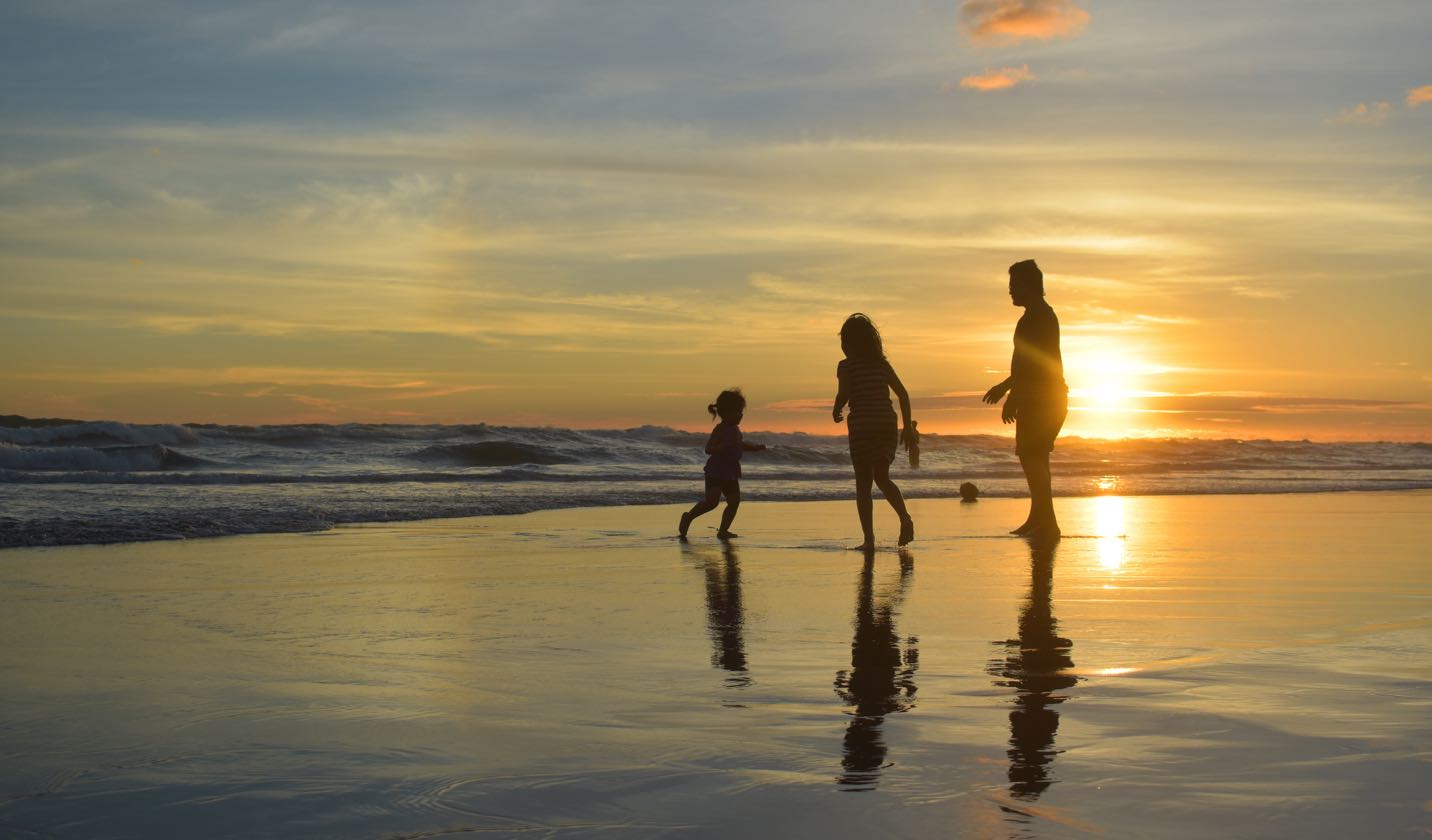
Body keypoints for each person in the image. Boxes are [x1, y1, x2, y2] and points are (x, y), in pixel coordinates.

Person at [982, 260, 1068, 538]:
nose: (1010, 291)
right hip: (1045, 397)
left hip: (1042, 398)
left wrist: (1012, 395)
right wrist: (1006, 387)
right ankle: (1040, 519)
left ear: (1029, 286)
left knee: (1032, 457)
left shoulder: (1038, 318)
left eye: (1014, 285)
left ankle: (1048, 524)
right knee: (1036, 457)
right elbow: (1024, 364)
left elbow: (1033, 365)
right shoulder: (1037, 316)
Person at [833, 314, 916, 551]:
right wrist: (908, 427)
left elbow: (844, 393)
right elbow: (903, 394)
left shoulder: (846, 366)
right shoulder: (881, 364)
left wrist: (836, 408)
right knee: (882, 477)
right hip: (885, 424)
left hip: (862, 425)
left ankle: (869, 540)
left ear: (848, 344)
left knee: (863, 484)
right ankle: (905, 518)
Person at [679, 389, 765, 540]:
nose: (741, 415)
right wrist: (719, 447)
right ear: (726, 412)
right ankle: (689, 516)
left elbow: (739, 444)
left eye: (741, 411)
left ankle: (723, 530)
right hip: (716, 471)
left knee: (734, 502)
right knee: (712, 502)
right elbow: (708, 448)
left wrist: (754, 448)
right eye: (738, 411)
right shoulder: (720, 429)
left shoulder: (736, 430)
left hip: (731, 472)